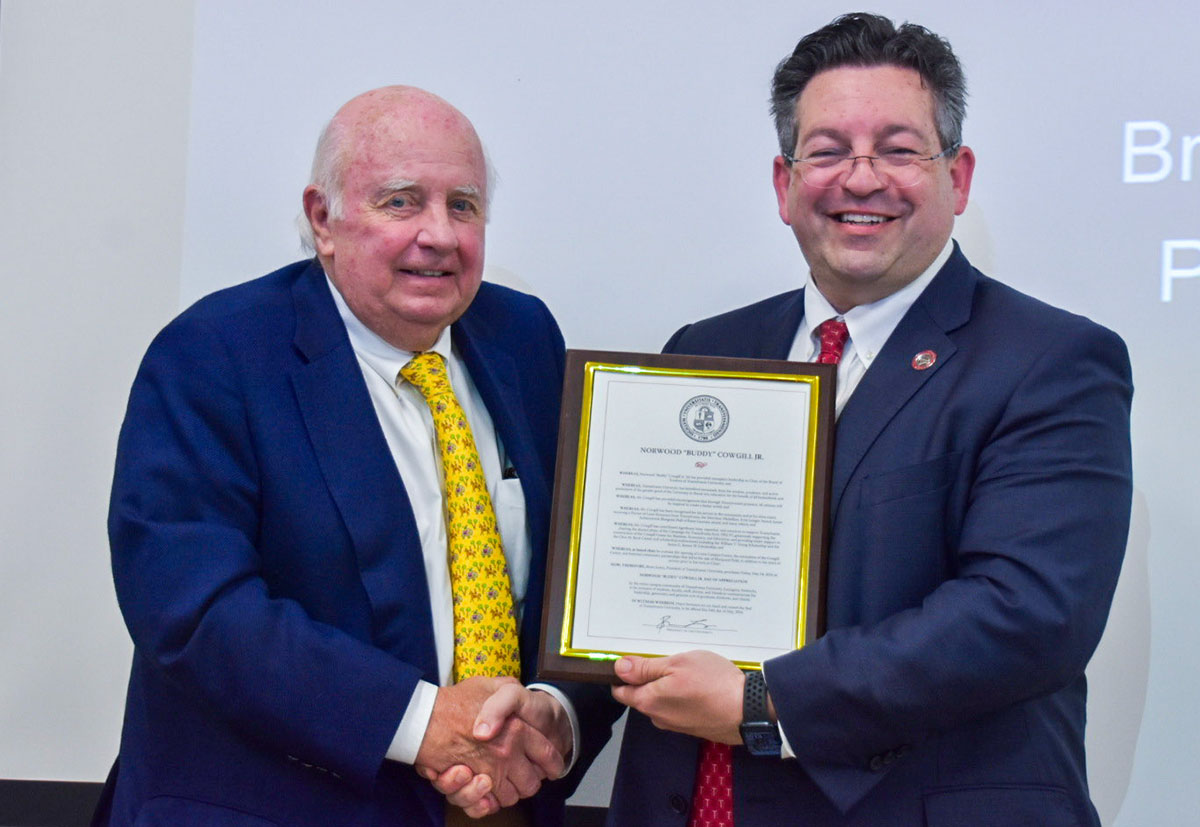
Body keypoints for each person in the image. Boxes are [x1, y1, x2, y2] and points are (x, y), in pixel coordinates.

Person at [601, 13, 1133, 827]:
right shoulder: (710, 351)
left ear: (957, 177)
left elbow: (1027, 614)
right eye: (827, 150)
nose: (860, 178)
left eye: (897, 147)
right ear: (784, 185)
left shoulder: (1053, 362)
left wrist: (762, 699)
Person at [92, 86, 598, 827]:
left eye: (463, 205)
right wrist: (420, 720)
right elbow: (196, 609)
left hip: (496, 811)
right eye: (400, 201)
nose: (439, 234)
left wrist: (556, 712)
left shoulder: (523, 337)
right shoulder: (213, 354)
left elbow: (579, 572)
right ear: (322, 218)